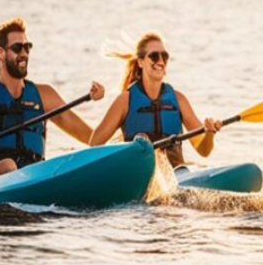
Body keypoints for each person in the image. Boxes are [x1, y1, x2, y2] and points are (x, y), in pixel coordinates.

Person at [0, 17, 105, 179]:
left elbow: (92, 138)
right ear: (1, 53)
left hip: (34, 175)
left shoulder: (45, 95)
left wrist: (119, 139)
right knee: (8, 166)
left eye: (28, 47)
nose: (24, 53)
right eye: (17, 48)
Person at [89, 32, 221, 168]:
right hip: (138, 175)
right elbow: (94, 144)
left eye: (164, 56)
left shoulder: (179, 100)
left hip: (176, 175)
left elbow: (204, 151)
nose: (160, 61)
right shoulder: (125, 100)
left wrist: (210, 134)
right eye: (154, 56)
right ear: (140, 62)